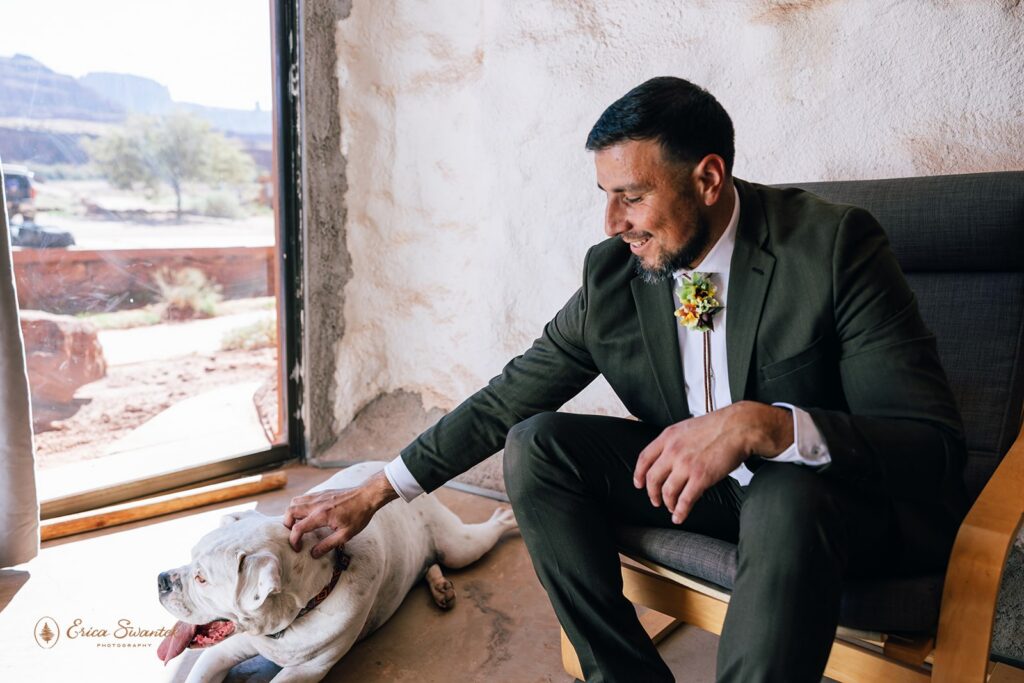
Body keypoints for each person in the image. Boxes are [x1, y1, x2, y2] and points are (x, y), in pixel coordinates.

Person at [284, 77, 968, 682]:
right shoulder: (613, 273)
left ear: (707, 178)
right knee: (536, 443)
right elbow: (506, 398)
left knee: (787, 495)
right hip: (708, 494)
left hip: (832, 508)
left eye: (632, 197)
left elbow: (929, 445)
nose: (613, 224)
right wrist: (375, 491)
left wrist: (765, 424)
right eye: (606, 197)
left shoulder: (834, 245)